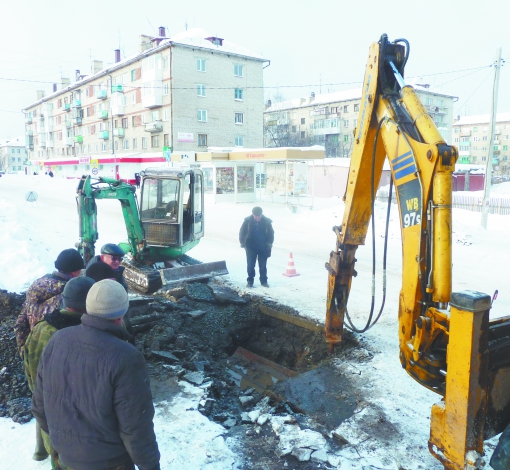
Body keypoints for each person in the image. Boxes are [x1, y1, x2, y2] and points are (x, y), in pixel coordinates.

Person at [32, 280, 160, 470]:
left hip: (66, 460)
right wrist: (150, 466)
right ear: (121, 314)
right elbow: (135, 428)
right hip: (110, 463)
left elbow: (39, 406)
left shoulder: (58, 339)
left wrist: (64, 445)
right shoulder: (126, 356)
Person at [24, 276, 95, 464]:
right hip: (80, 434)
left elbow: (30, 372)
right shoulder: (88, 337)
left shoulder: (40, 329)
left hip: (48, 420)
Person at [14, 248, 85, 356]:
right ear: (74, 272)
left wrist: (25, 353)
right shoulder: (68, 296)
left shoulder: (36, 287)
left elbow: (20, 324)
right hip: (54, 357)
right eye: (80, 270)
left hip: (34, 350)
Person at [239, 206, 274, 288]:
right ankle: (250, 281)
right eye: (255, 216)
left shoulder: (267, 222)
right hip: (250, 247)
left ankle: (264, 281)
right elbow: (242, 232)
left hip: (263, 247)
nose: (257, 218)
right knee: (250, 265)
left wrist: (269, 244)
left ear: (261, 215)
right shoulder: (247, 221)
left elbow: (271, 234)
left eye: (259, 216)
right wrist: (243, 244)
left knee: (263, 265)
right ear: (253, 215)